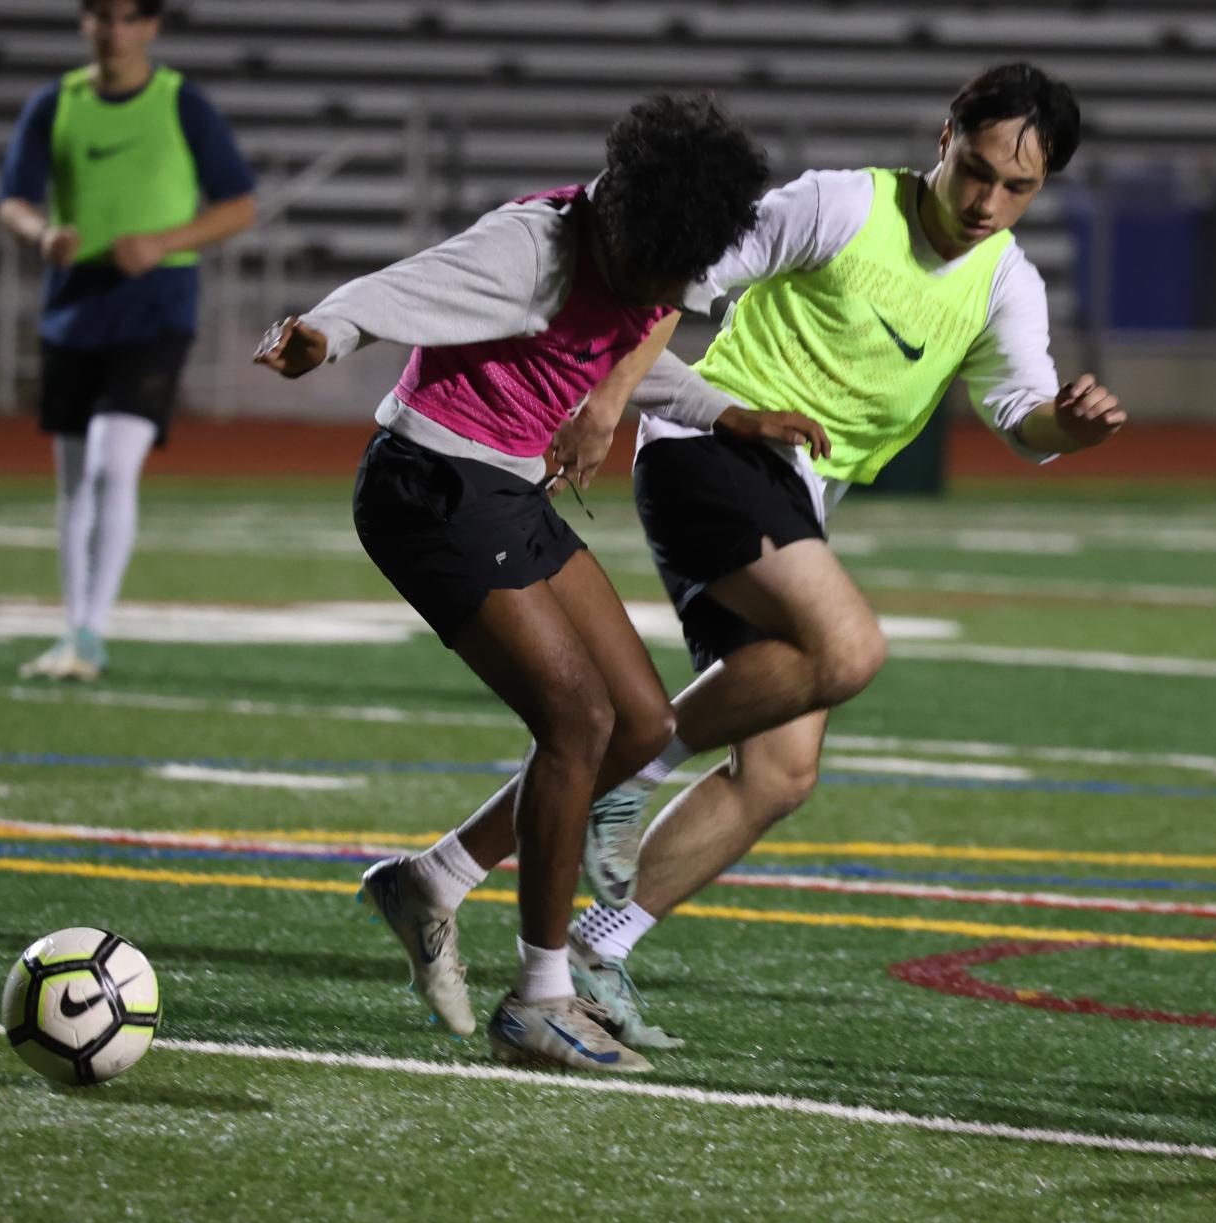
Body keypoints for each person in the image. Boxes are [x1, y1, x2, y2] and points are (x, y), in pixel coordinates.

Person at [379, 62, 1129, 1047]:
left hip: (792, 497)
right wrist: (607, 401)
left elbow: (1020, 417)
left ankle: (487, 895)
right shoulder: (843, 205)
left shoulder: (1006, 283)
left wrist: (1072, 426)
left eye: (1017, 187)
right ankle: (633, 772)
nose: (987, 201)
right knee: (849, 648)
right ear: (946, 132)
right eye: (977, 169)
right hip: (712, 450)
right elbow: (680, 273)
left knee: (780, 771)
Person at [254, 92, 823, 1074]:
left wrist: (733, 414)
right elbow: (396, 288)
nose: (670, 291)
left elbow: (622, 356)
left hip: (507, 494)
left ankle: (433, 877)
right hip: (428, 485)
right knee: (579, 725)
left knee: (644, 724)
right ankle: (539, 998)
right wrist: (321, 335)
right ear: (628, 221)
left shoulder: (654, 245)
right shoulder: (533, 247)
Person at [0, 0, 256, 683]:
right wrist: (41, 235)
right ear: (84, 23)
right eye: (101, 16)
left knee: (115, 465)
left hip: (155, 310)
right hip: (73, 313)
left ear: (152, 26)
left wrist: (164, 243)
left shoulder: (182, 103)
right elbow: (14, 199)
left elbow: (239, 203)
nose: (114, 30)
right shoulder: (56, 103)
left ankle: (92, 631)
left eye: (127, 17)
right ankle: (72, 631)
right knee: (74, 481)